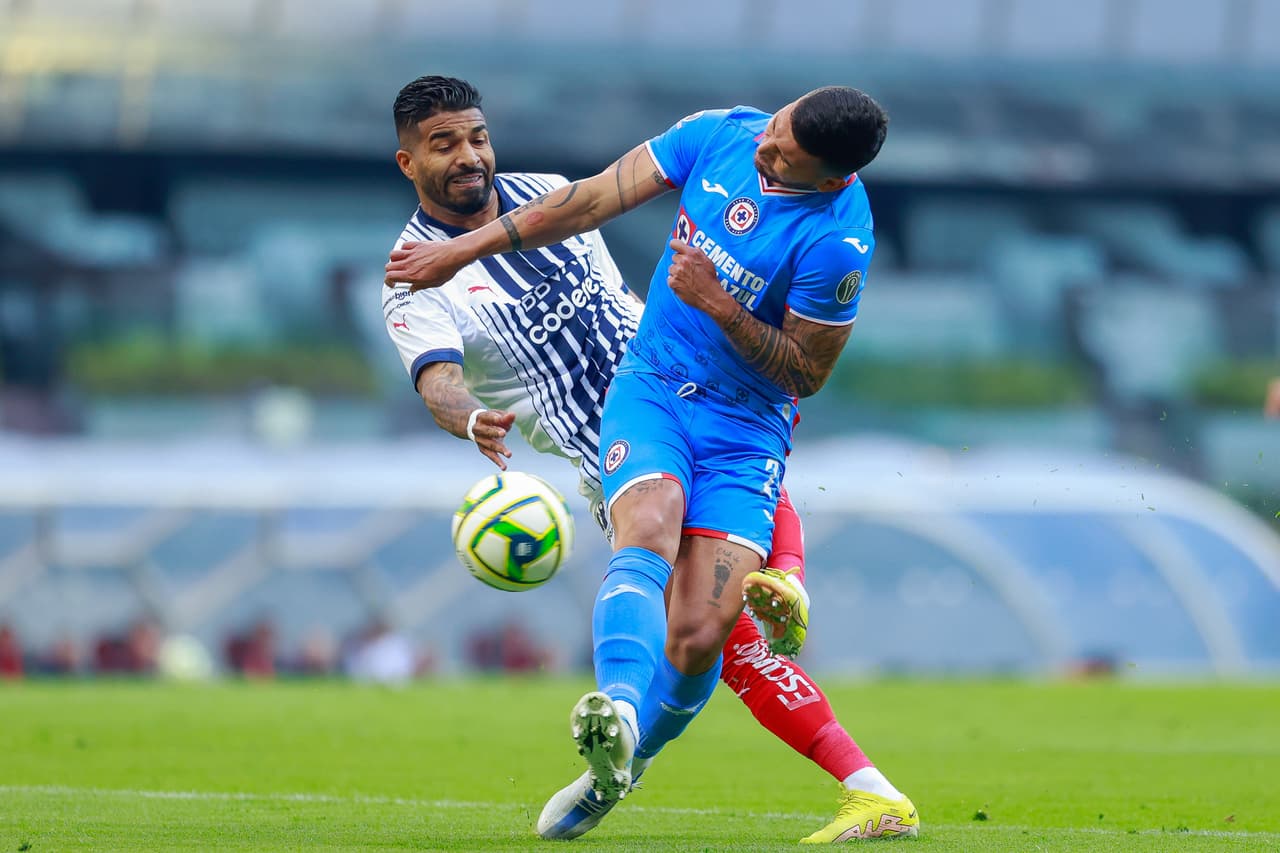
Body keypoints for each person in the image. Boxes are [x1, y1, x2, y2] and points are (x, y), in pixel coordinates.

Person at [383, 76, 916, 842]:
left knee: (707, 633)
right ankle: (649, 711)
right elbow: (437, 380)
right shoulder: (412, 275)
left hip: (723, 410)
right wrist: (469, 416)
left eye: (477, 138)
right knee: (713, 622)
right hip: (627, 417)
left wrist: (716, 302)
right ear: (409, 162)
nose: (469, 156)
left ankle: (659, 733)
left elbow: (802, 372)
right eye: (446, 145)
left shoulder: (834, 241)